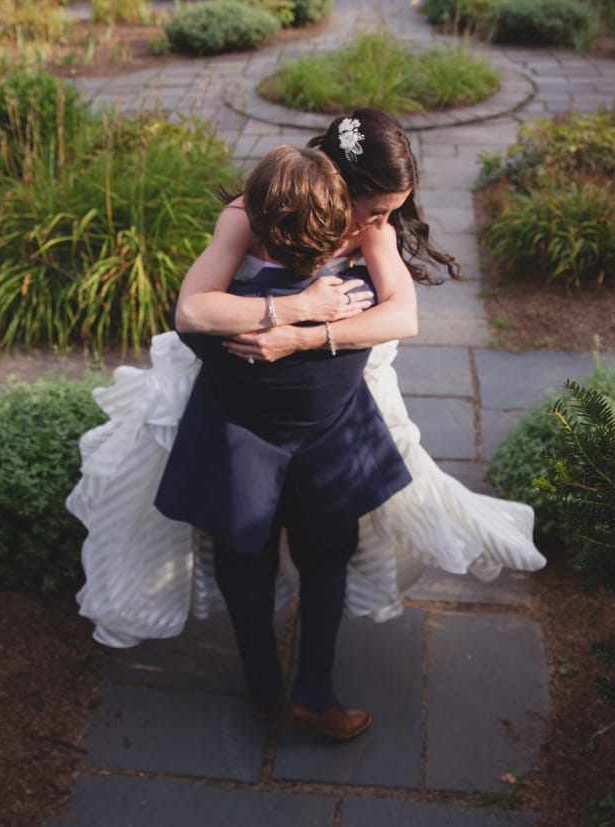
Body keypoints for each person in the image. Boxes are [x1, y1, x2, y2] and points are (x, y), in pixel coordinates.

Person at [66, 111, 546, 735]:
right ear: (333, 183)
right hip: (239, 428)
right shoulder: (249, 216)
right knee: (244, 554)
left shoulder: (370, 229)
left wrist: (303, 338)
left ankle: (312, 692)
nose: (382, 224)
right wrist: (289, 306)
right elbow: (192, 307)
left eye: (389, 213)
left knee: (329, 551)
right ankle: (263, 684)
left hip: (331, 428)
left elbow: (403, 317)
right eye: (373, 210)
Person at [156, 144, 407, 738]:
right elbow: (395, 312)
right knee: (325, 562)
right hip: (329, 441)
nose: (376, 223)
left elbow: (190, 315)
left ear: (257, 223)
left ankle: (264, 687)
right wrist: (305, 310)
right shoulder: (357, 295)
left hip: (239, 440)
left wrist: (281, 320)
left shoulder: (228, 310)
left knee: (245, 563)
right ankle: (311, 692)